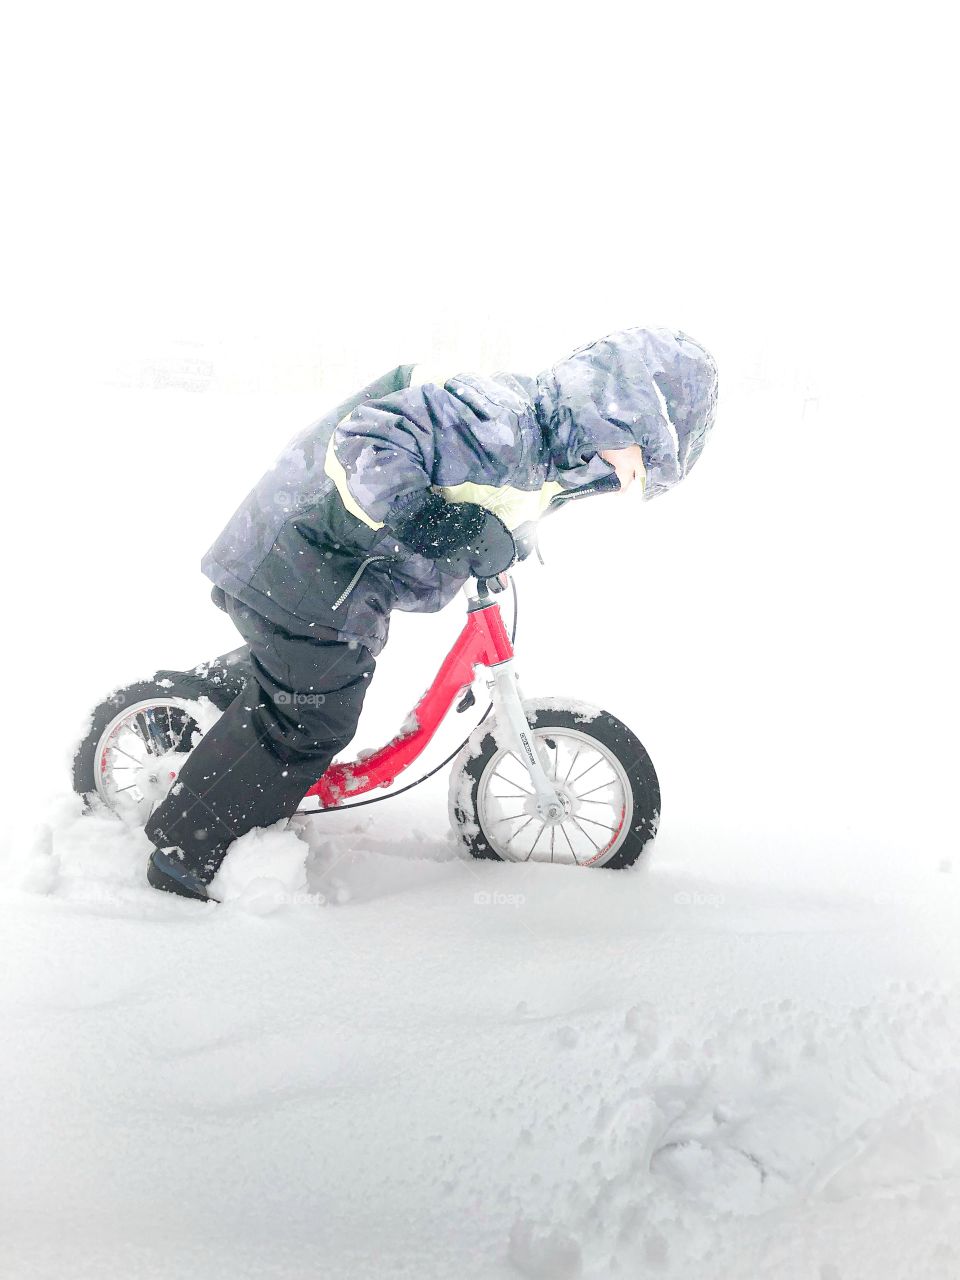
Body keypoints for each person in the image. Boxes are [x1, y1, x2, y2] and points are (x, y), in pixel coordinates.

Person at [145, 326, 718, 899]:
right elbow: (367, 444)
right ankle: (184, 854)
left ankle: (194, 718)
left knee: (301, 673)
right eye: (639, 463)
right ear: (620, 414)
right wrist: (446, 525)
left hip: (330, 574)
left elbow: (491, 499)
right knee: (312, 718)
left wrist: (499, 539)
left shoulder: (548, 449)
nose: (623, 482)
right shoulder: (503, 420)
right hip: (297, 561)